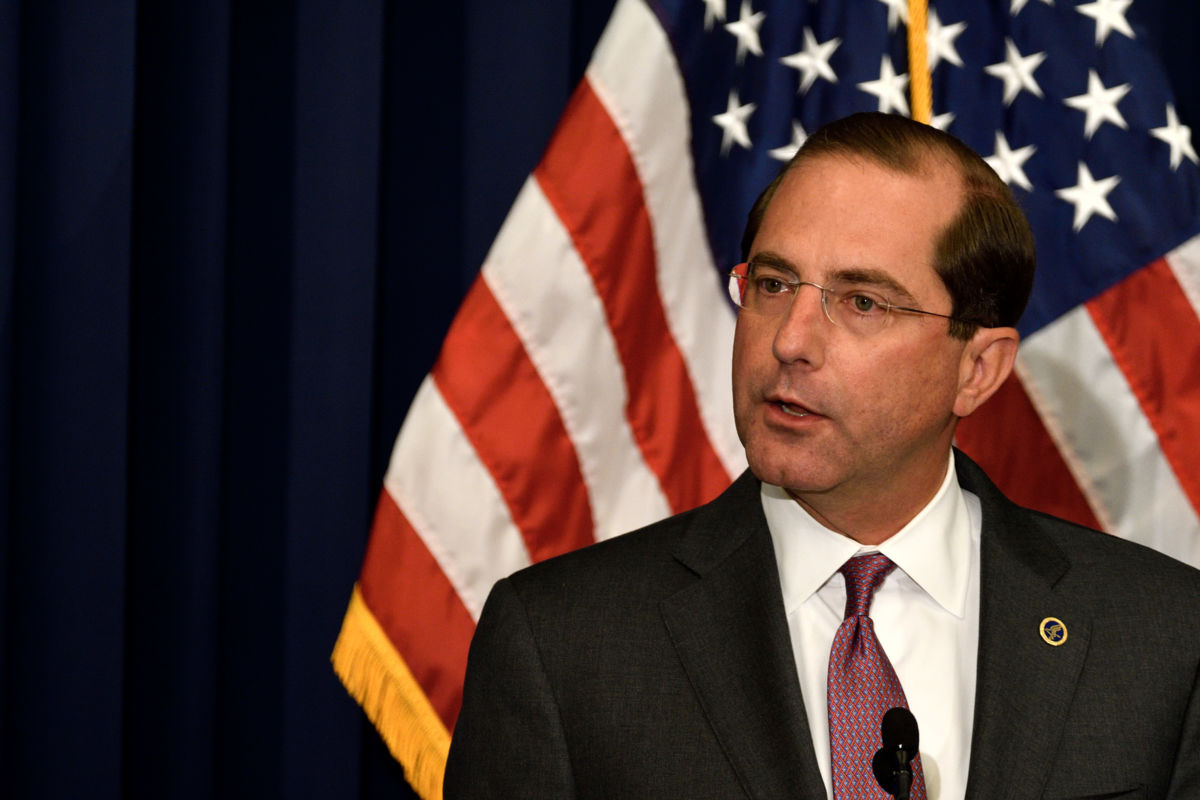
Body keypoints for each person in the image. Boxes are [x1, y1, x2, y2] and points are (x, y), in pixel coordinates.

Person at [442, 113, 1200, 799]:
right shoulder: (564, 644)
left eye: (862, 301)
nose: (789, 341)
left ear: (977, 369)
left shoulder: (1162, 637)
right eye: (772, 284)